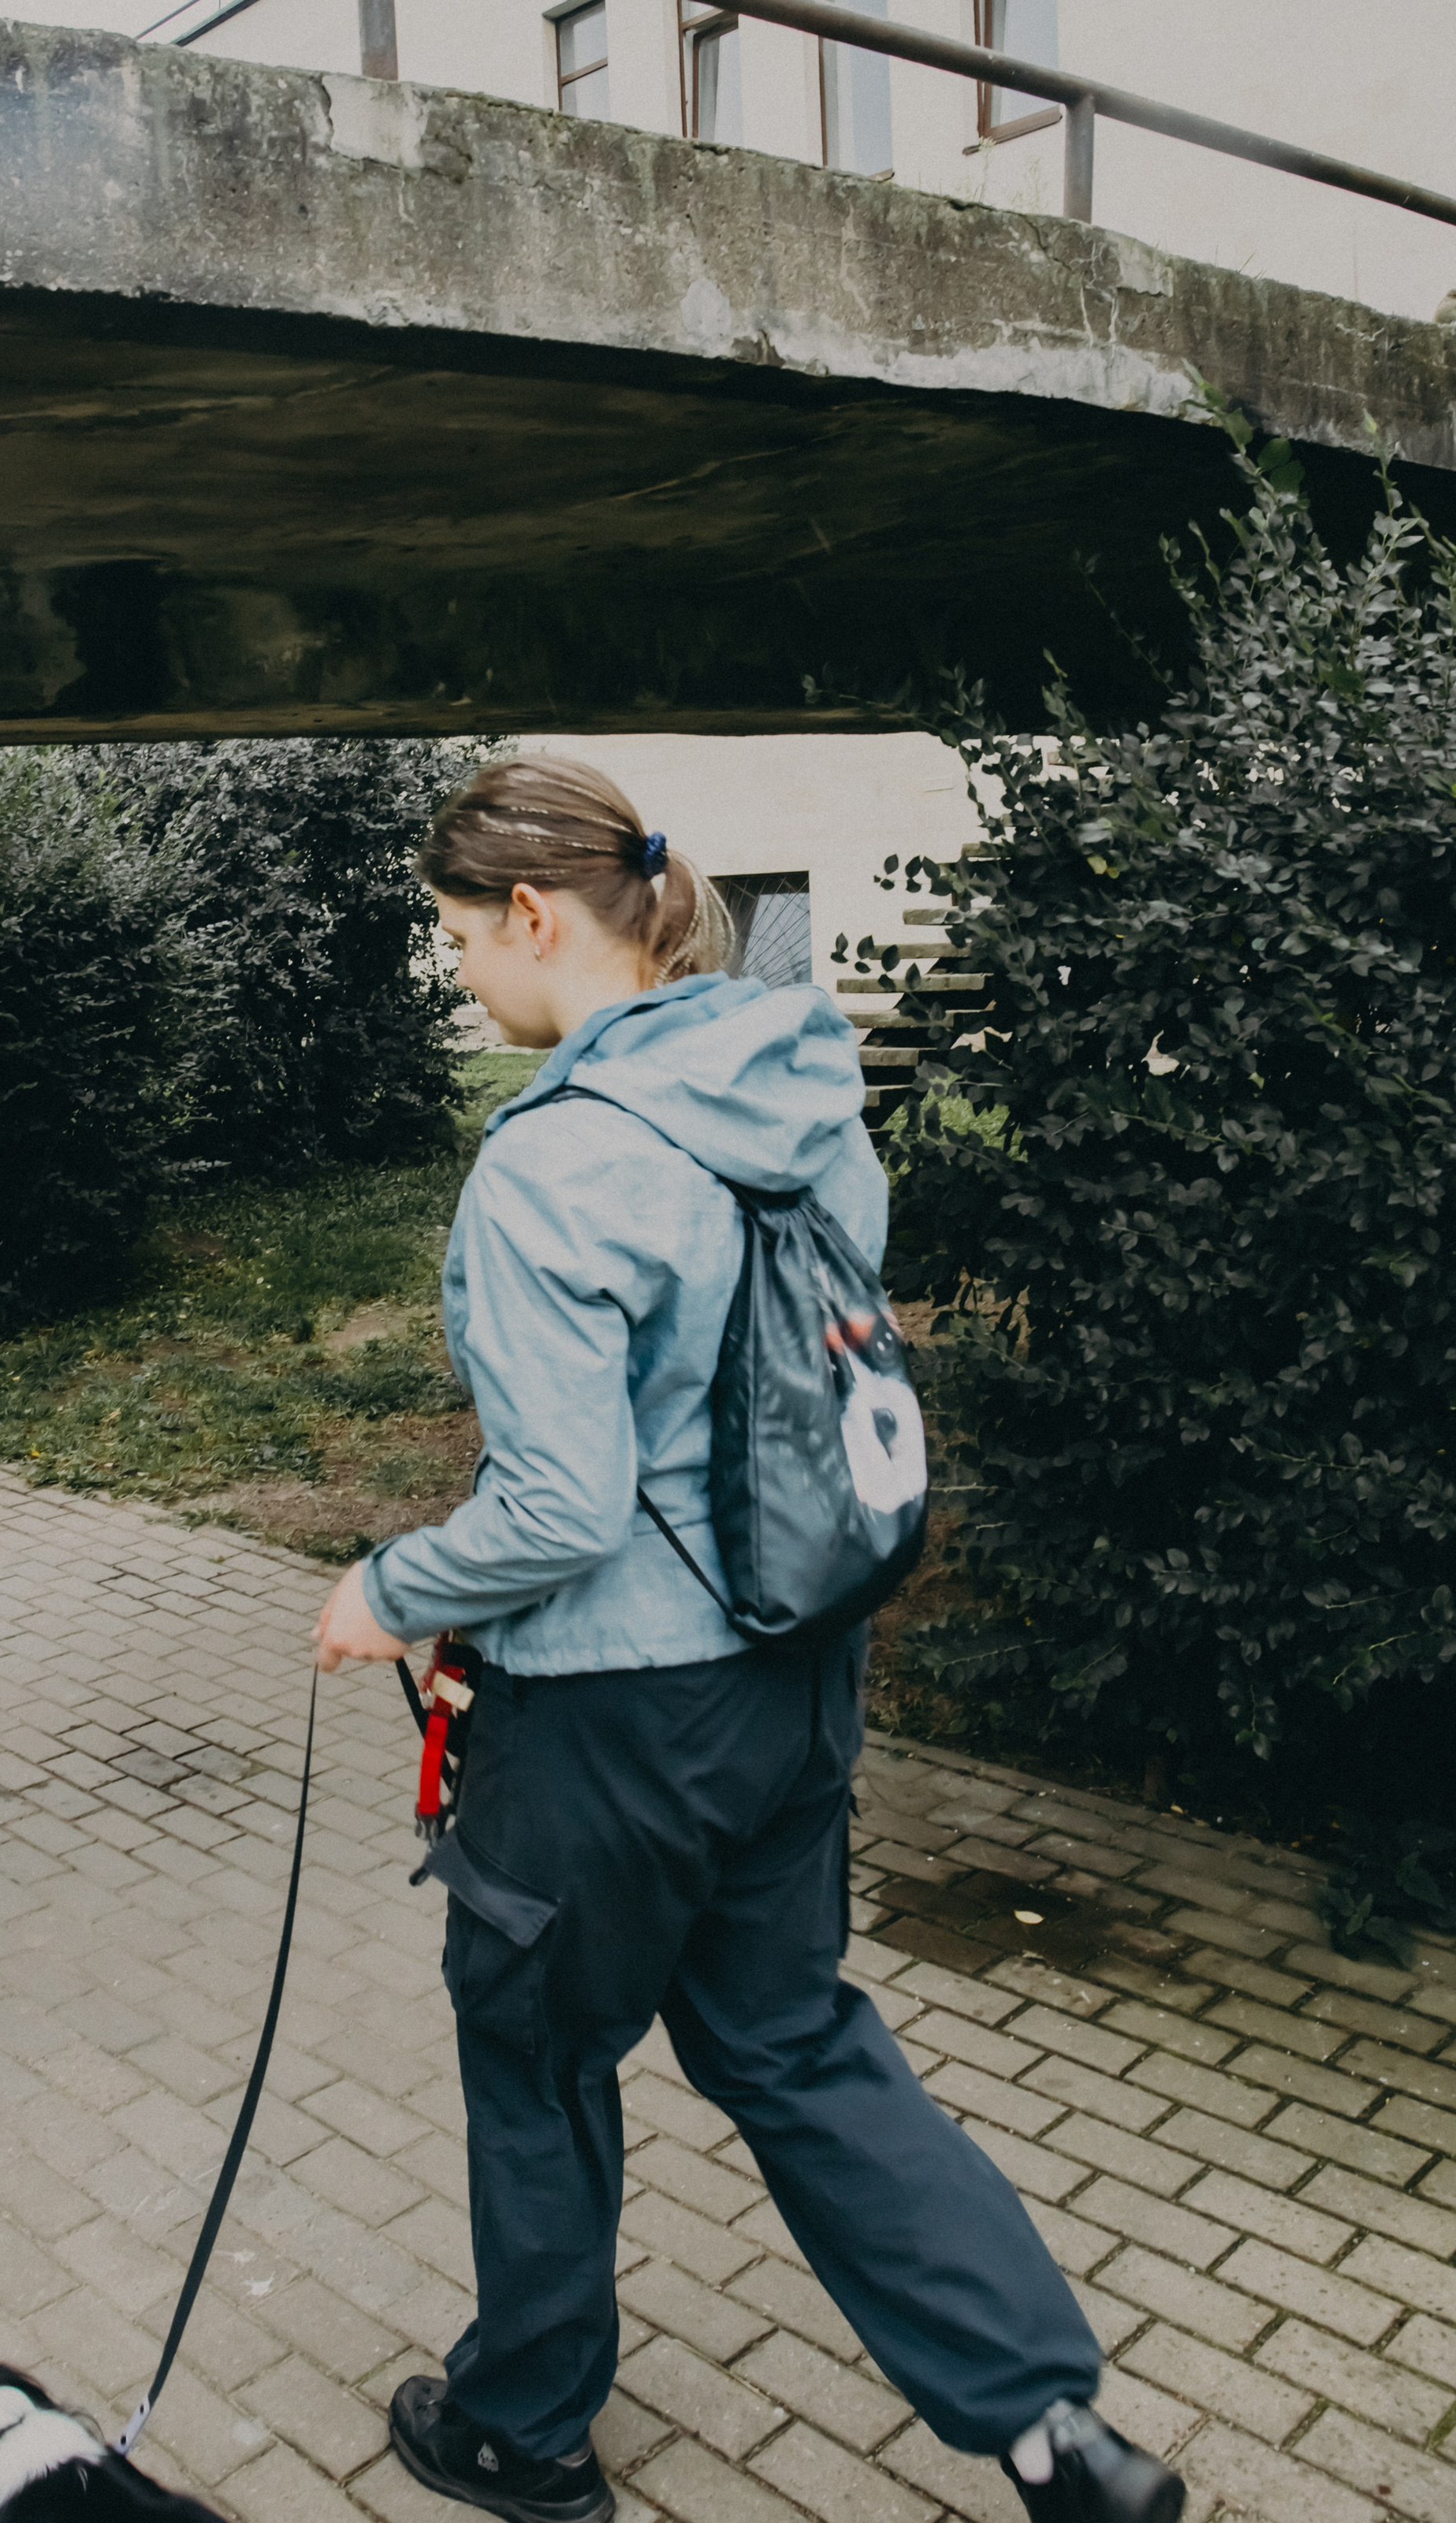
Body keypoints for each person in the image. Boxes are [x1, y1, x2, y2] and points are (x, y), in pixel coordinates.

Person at [312, 758, 1186, 2523]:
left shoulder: (554, 1166)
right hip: (797, 1680)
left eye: (458, 941)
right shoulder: (802, 1099)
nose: (461, 978)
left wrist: (385, 1589)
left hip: (610, 1727)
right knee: (789, 2041)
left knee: (542, 2051)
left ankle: (524, 2427)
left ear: (536, 920)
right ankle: (1044, 2427)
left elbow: (560, 1509)